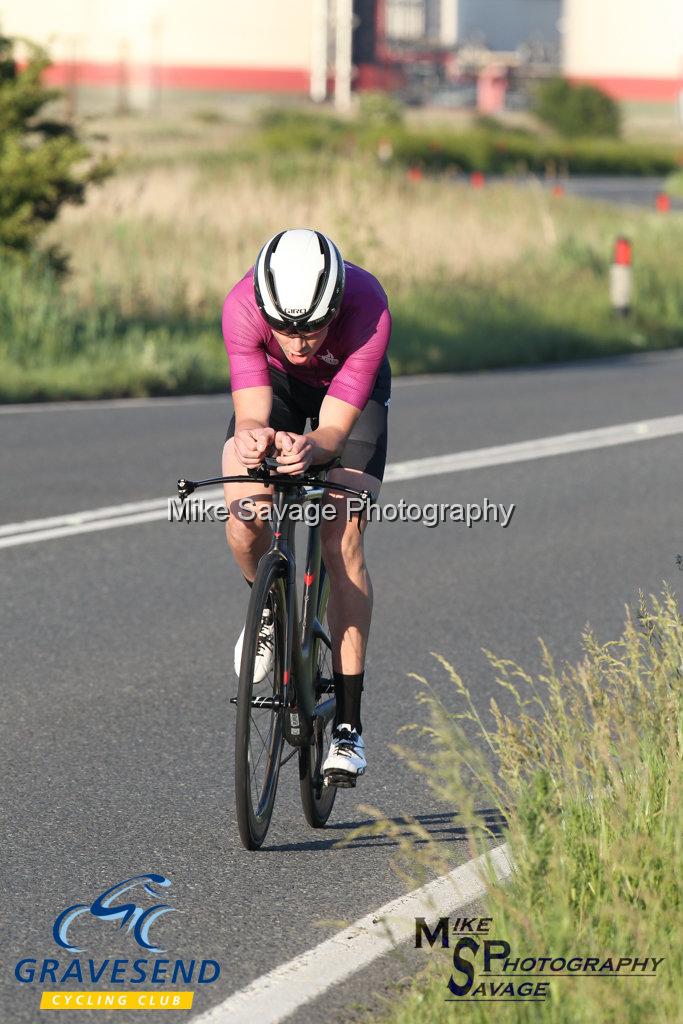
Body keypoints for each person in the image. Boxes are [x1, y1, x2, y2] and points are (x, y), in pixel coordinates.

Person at [221, 228, 391, 786]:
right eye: (284, 329)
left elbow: (336, 431)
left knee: (341, 536)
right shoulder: (242, 306)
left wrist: (308, 448)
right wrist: (254, 440)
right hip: (280, 393)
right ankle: (267, 608)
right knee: (245, 516)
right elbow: (250, 415)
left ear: (335, 307)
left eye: (311, 329)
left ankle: (348, 727)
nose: (296, 343)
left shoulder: (368, 308)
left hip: (349, 395)